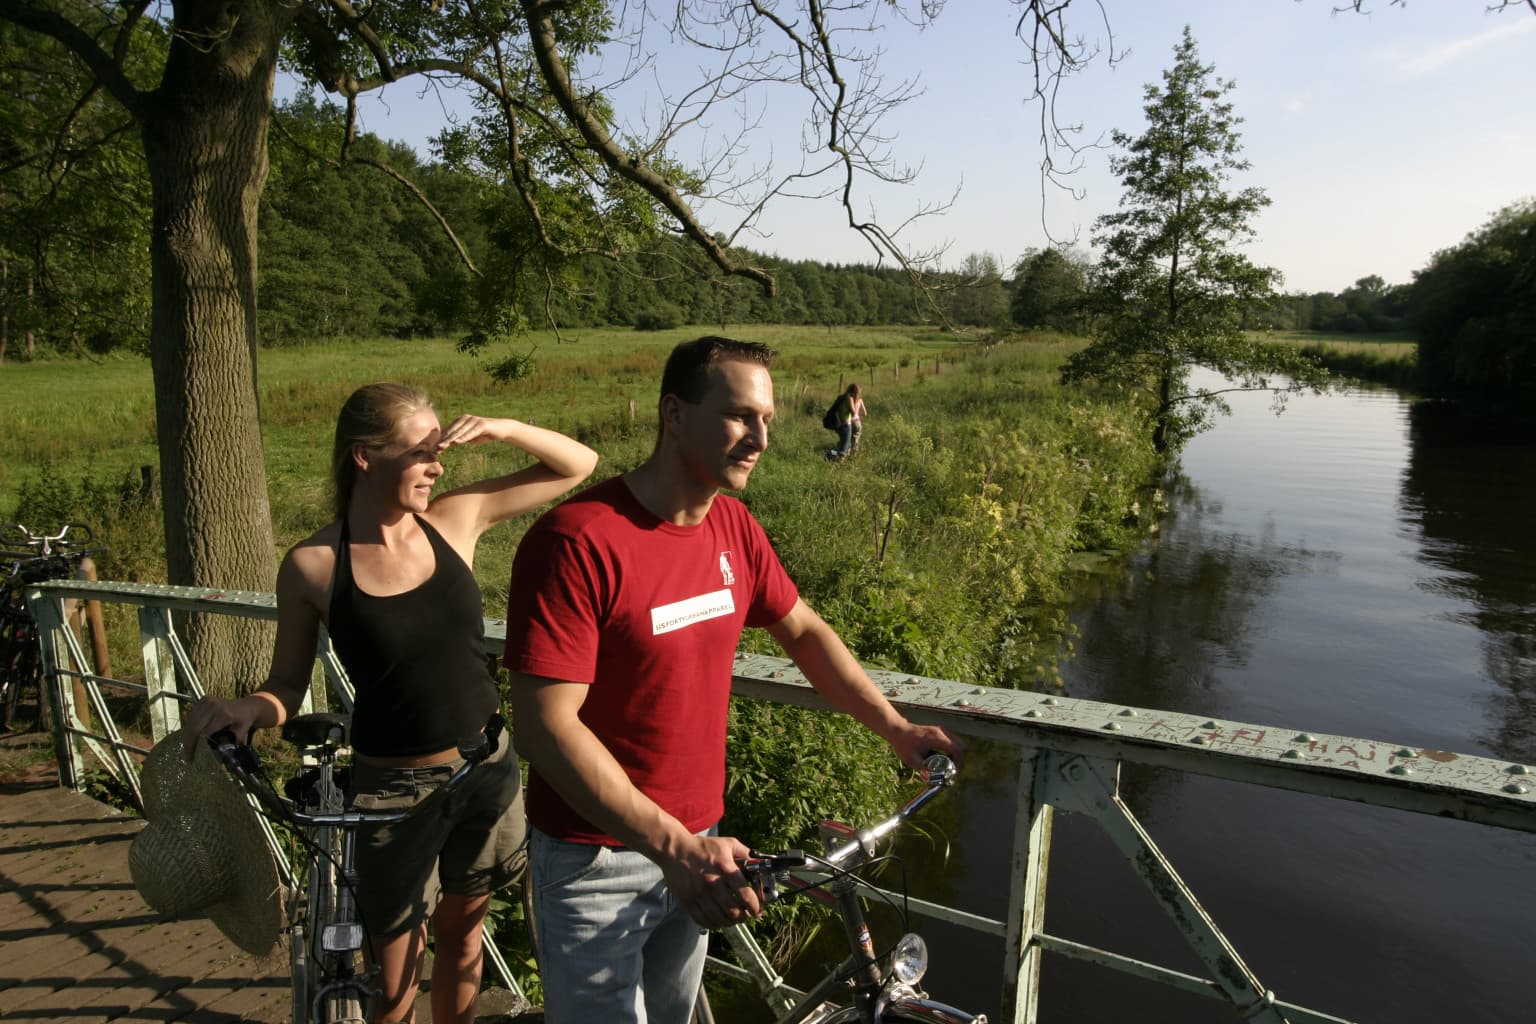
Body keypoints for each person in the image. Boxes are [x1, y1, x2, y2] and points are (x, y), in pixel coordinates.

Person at [502, 337, 964, 1024]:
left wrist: (893, 726)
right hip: (597, 857)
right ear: (674, 415)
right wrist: (673, 849)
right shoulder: (579, 540)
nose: (760, 438)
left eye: (768, 419)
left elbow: (803, 631)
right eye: (741, 416)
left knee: (672, 1014)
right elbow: (545, 724)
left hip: (705, 843)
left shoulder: (733, 527)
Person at [180, 382, 598, 1024]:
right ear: (365, 456)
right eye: (421, 452)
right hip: (391, 790)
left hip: (485, 767)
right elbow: (286, 687)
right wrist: (249, 710)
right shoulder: (314, 566)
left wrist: (504, 426)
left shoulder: (453, 521)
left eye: (439, 452)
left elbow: (578, 464)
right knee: (393, 970)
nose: (436, 466)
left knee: (463, 941)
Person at [826, 382, 863, 460]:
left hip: (838, 424)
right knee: (844, 448)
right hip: (846, 425)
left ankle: (833, 456)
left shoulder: (841, 397)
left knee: (846, 444)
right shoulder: (849, 398)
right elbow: (853, 413)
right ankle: (829, 456)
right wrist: (855, 403)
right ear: (855, 392)